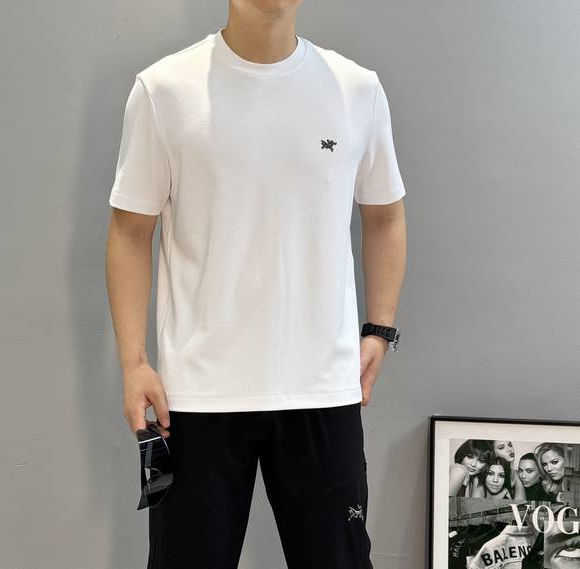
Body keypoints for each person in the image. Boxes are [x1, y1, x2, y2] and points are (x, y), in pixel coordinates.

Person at [105, 1, 407, 567]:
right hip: (196, 395)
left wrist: (380, 328)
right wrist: (134, 362)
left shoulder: (356, 90)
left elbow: (385, 215)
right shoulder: (165, 89)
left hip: (322, 387)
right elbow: (129, 229)